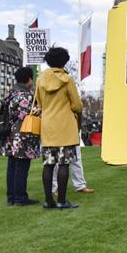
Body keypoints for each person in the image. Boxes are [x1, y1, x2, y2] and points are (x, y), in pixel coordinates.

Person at [34, 46, 83, 210]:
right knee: (64, 164)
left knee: (48, 164)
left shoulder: (40, 80)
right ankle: (62, 200)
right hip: (65, 125)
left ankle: (48, 201)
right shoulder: (67, 80)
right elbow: (77, 105)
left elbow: (39, 103)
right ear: (64, 62)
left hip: (48, 125)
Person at [2, 67, 41, 206]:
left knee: (12, 166)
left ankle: (11, 197)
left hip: (11, 134)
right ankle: (20, 198)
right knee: (22, 167)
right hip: (23, 135)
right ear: (29, 79)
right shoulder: (26, 95)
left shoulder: (10, 93)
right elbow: (28, 114)